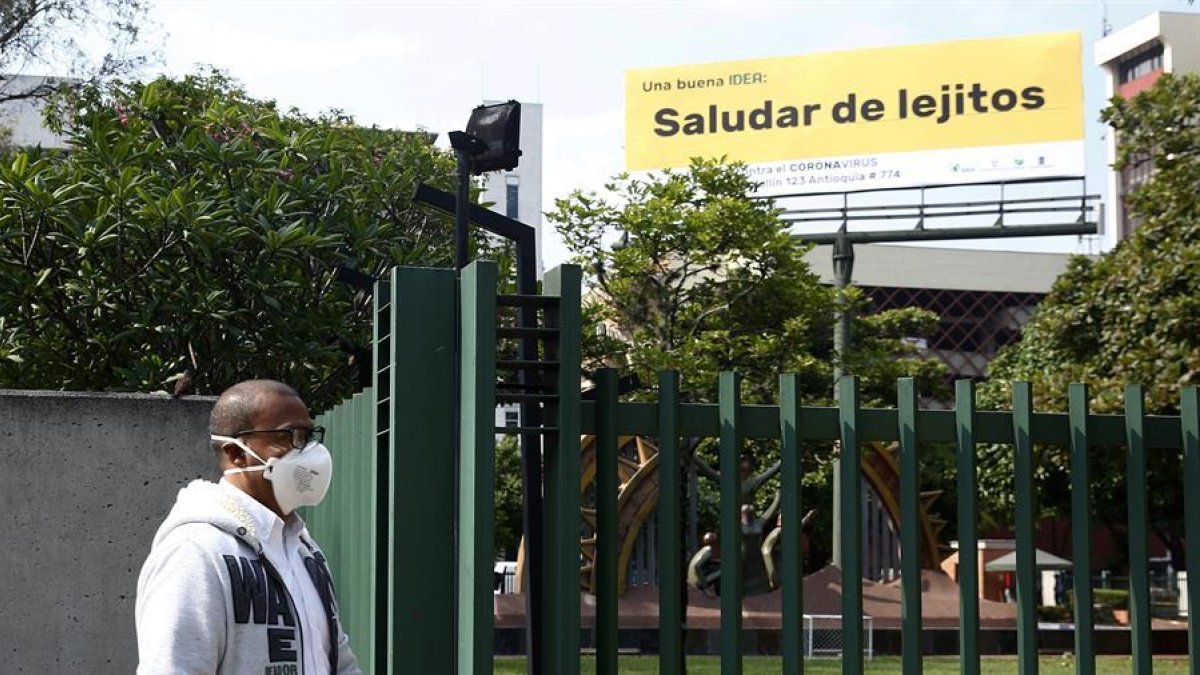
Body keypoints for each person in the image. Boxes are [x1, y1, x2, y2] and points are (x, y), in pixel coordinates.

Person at [136, 379, 361, 674]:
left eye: (308, 436)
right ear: (236, 453)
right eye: (289, 436)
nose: (306, 451)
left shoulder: (304, 551)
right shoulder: (195, 553)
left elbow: (340, 662)